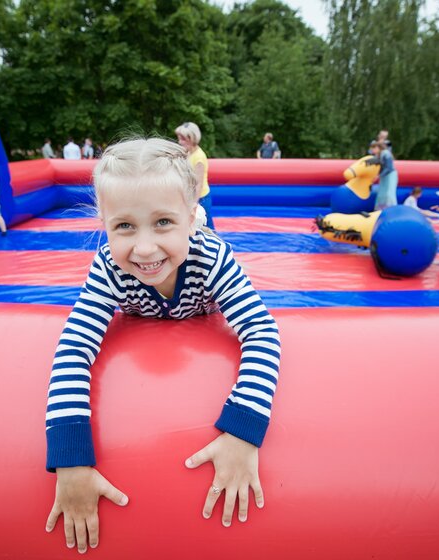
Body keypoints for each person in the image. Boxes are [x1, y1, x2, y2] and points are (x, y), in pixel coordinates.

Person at [44, 138, 281, 554]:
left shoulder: (212, 258)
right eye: (124, 226)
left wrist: (243, 433)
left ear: (192, 219)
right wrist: (71, 458)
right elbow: (74, 347)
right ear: (104, 223)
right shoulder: (108, 267)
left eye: (164, 223)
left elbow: (261, 331)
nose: (145, 247)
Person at [176, 122, 214, 229]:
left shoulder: (199, 158)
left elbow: (199, 184)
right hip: (191, 196)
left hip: (201, 198)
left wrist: (194, 204)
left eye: (183, 139)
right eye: (179, 138)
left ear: (192, 138)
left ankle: (217, 244)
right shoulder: (188, 153)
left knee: (207, 228)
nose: (179, 142)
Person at [371, 141, 398, 210]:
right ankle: (380, 209)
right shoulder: (379, 155)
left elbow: (389, 168)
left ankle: (391, 208)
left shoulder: (385, 153)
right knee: (382, 192)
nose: (372, 150)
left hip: (389, 175)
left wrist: (379, 176)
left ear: (378, 148)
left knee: (388, 192)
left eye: (373, 148)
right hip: (384, 176)